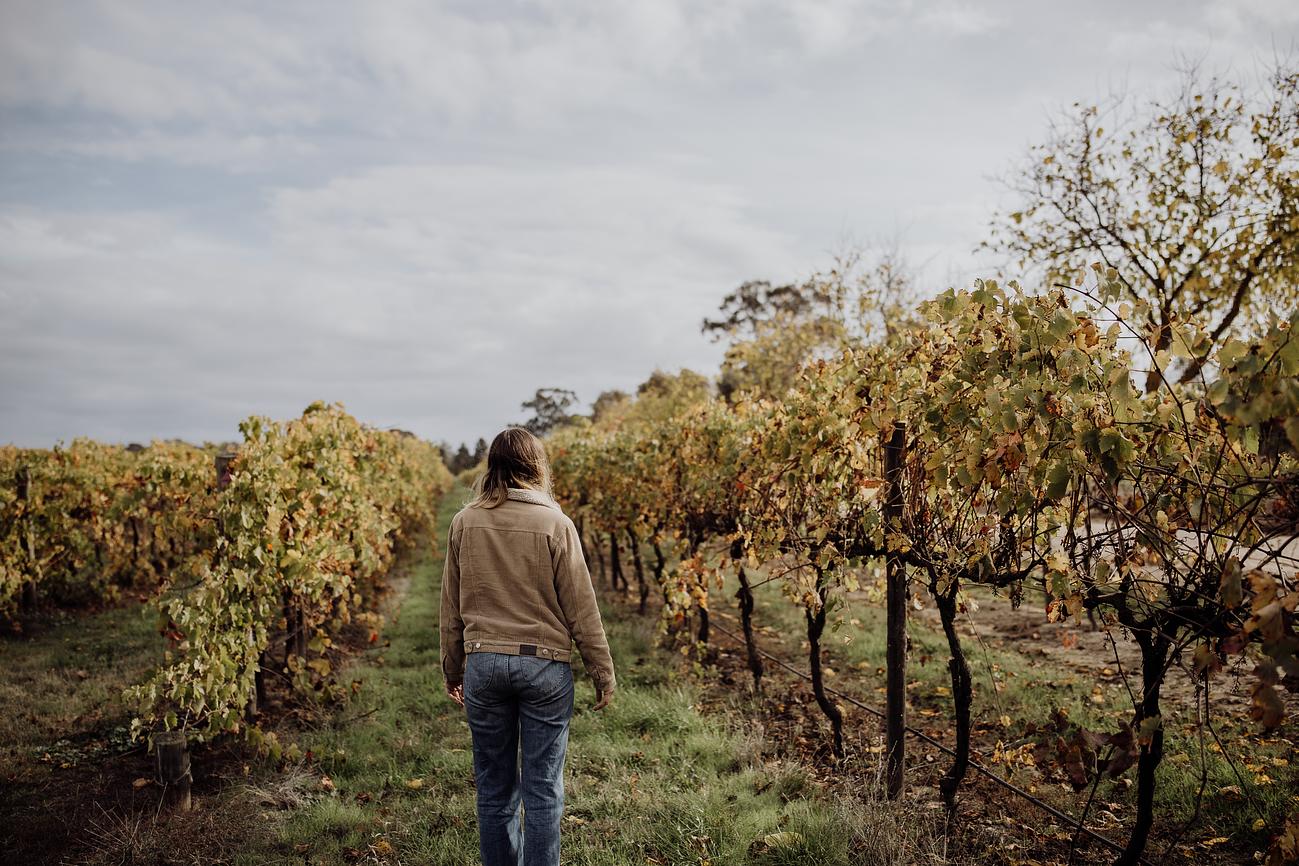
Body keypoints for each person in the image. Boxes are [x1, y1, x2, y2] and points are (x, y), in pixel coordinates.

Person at [440, 426, 616, 866]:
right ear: (536, 467)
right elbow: (581, 608)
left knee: (494, 788)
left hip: (484, 664)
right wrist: (602, 672)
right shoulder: (556, 523)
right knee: (543, 791)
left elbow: (450, 605)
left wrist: (452, 668)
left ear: (492, 467)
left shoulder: (465, 521)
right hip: (545, 669)